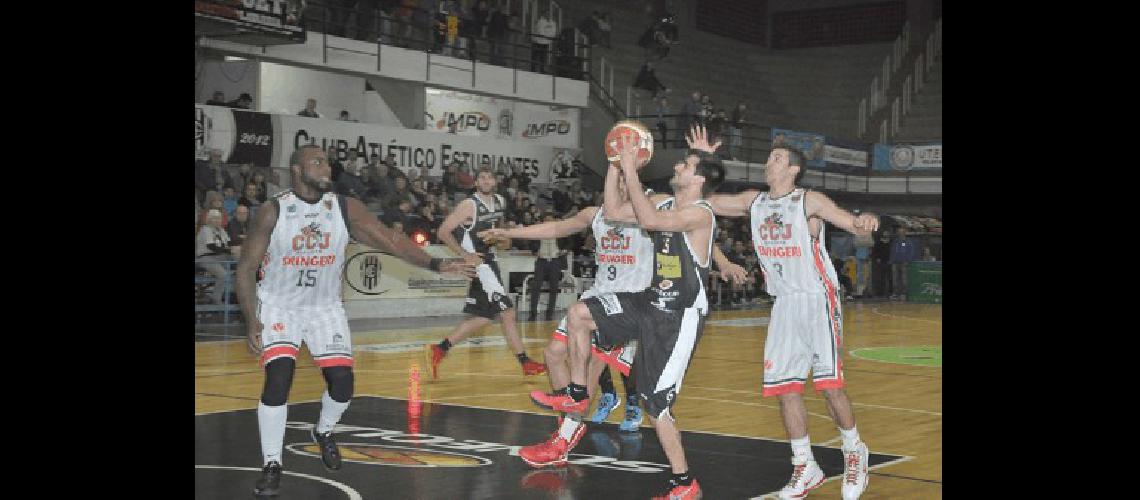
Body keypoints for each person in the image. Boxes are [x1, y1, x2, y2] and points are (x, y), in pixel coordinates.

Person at [234, 145, 474, 497]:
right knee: (278, 378)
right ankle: (272, 462)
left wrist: (435, 265)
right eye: (316, 162)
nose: (325, 167)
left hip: (324, 308)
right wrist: (251, 320)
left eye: (326, 161)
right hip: (279, 307)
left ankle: (324, 430)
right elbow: (245, 269)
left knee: (343, 384)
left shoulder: (344, 207)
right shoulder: (273, 211)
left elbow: (389, 240)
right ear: (297, 169)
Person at [480, 165, 744, 470]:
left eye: (618, 172)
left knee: (593, 365)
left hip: (635, 300)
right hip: (599, 295)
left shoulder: (651, 204)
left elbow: (695, 231)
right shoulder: (597, 213)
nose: (614, 177)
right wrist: (508, 232)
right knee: (552, 354)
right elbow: (556, 229)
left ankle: (564, 437)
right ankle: (572, 413)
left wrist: (722, 263)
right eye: (611, 171)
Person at [532, 131, 726, 500]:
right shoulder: (670, 204)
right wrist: (613, 165)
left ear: (698, 179)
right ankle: (576, 394)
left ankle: (684, 483)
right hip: (650, 300)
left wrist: (631, 170)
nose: (677, 166)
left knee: (657, 406)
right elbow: (616, 212)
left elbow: (649, 221)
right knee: (579, 314)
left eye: (685, 165)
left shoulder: (698, 214)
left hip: (678, 317)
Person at [698, 124, 878, 499]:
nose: (769, 163)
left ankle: (854, 451)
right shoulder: (754, 201)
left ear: (793, 169)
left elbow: (850, 223)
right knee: (786, 390)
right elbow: (703, 201)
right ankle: (804, 466)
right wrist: (705, 159)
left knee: (830, 388)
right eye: (769, 157)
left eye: (776, 158)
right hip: (783, 305)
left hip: (817, 299)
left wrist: (865, 223)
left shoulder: (808, 201)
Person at [426, 167, 546, 378]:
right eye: (482, 177)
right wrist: (465, 255)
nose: (486, 180)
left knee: (484, 317)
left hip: (491, 261)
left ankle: (440, 349)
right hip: (480, 265)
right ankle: (525, 362)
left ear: (495, 181)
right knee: (507, 312)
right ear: (476, 183)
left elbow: (499, 237)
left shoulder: (500, 201)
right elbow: (443, 231)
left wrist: (503, 240)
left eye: (490, 177)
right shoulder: (469, 205)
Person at [196, 209, 234, 305]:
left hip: (220, 256)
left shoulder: (221, 230)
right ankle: (216, 299)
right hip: (205, 258)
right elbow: (211, 246)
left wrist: (237, 248)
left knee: (240, 260)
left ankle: (234, 296)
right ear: (209, 219)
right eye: (214, 218)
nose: (217, 220)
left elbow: (229, 243)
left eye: (219, 218)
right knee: (223, 275)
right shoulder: (205, 229)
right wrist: (229, 250)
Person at [889, 226, 919, 300]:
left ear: (904, 233)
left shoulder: (908, 242)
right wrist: (891, 260)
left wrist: (908, 261)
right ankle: (895, 294)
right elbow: (892, 252)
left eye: (902, 232)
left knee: (904, 279)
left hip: (904, 263)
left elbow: (911, 252)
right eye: (899, 232)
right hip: (895, 263)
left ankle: (904, 294)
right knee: (895, 279)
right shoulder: (895, 242)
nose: (900, 234)